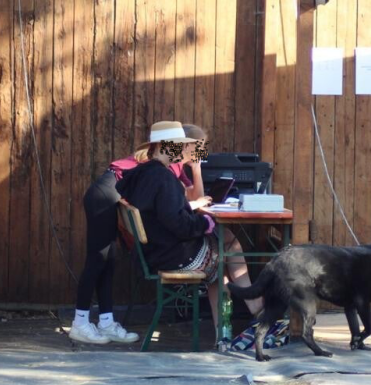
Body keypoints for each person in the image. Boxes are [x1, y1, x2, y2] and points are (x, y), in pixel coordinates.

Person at [116, 121, 263, 328]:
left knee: (225, 247)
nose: (184, 149)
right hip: (170, 255)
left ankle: (231, 328)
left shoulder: (146, 173)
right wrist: (205, 223)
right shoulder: (163, 177)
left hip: (155, 251)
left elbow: (170, 213)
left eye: (185, 145)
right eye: (181, 144)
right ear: (164, 145)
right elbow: (179, 224)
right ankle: (252, 312)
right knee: (225, 253)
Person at [69, 161, 142, 344]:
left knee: (108, 263)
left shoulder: (176, 159)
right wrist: (195, 168)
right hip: (103, 197)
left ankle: (106, 323)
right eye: (198, 149)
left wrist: (195, 167)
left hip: (109, 196)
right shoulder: (171, 154)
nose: (200, 153)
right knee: (96, 261)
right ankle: (79, 324)